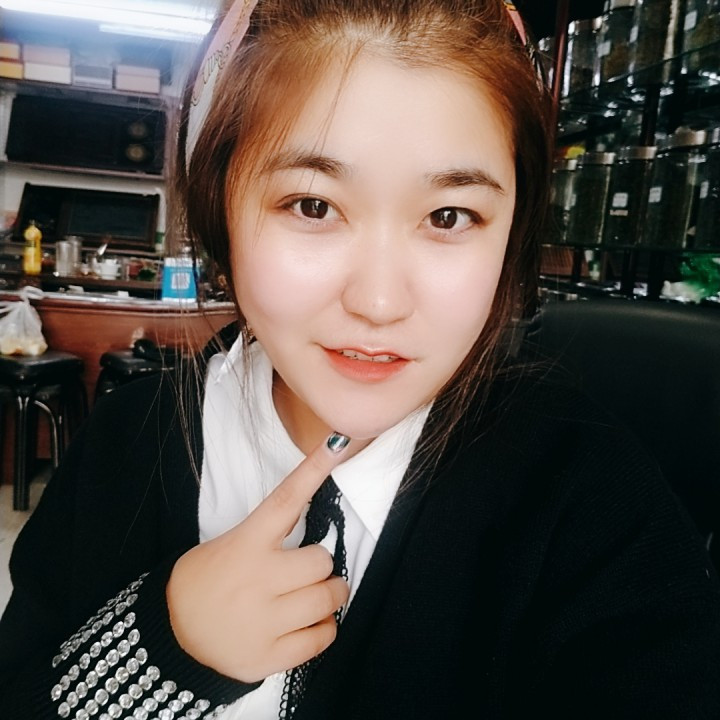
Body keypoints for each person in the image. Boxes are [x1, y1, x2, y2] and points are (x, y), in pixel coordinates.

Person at [1, 1, 719, 718]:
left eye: (449, 216)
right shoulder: (126, 445)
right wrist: (161, 649)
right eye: (313, 206)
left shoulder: (596, 507)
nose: (379, 302)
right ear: (220, 208)